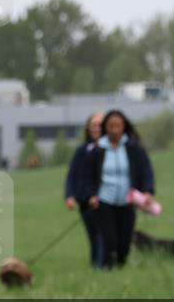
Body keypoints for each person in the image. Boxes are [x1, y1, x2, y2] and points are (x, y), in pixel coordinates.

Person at [82, 110, 155, 268]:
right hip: (104, 201)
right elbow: (86, 176)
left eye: (118, 126)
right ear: (105, 128)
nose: (114, 129)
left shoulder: (133, 148)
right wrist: (91, 195)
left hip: (128, 201)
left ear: (124, 127)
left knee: (125, 241)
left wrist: (147, 191)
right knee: (109, 239)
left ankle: (120, 266)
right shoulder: (96, 150)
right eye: (111, 126)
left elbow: (146, 171)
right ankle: (109, 268)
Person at [65, 111, 105, 268]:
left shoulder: (109, 150)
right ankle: (94, 264)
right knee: (92, 235)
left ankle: (101, 267)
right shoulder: (82, 150)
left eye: (100, 125)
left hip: (102, 202)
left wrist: (98, 195)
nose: (96, 128)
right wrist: (69, 195)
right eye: (93, 125)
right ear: (88, 128)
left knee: (102, 234)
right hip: (84, 202)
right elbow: (72, 174)